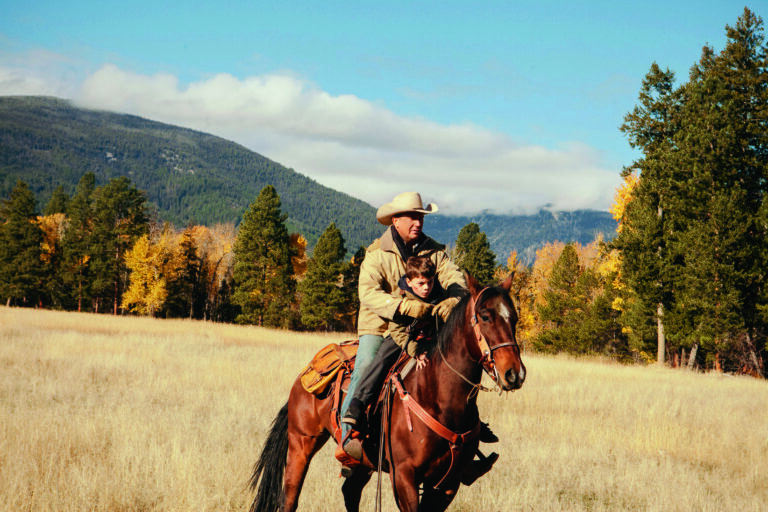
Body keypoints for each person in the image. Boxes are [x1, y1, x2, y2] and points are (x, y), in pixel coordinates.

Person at [335, 191, 497, 470]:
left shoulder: (434, 251)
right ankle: (350, 429)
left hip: (429, 325)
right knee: (368, 363)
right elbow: (368, 294)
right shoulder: (376, 254)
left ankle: (468, 435)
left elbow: (455, 279)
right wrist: (404, 308)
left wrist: (452, 302)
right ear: (395, 220)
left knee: (457, 364)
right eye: (412, 217)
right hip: (383, 325)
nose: (418, 222)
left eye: (420, 217)